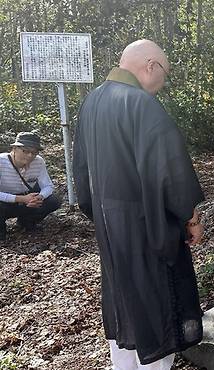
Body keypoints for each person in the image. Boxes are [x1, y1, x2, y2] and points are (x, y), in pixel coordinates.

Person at [73, 39, 205, 369]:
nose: (163, 82)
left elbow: (82, 174)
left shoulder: (92, 102)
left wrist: (104, 217)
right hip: (148, 229)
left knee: (125, 305)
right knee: (158, 305)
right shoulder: (141, 104)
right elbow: (170, 174)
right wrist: (190, 219)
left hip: (111, 228)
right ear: (151, 66)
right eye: (165, 73)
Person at [0, 132, 61, 240]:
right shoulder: (1, 162)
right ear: (14, 148)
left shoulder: (39, 162)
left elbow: (48, 186)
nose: (30, 156)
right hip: (6, 202)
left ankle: (26, 222)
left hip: (28, 200)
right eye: (25, 151)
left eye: (34, 153)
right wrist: (21, 199)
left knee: (53, 201)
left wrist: (39, 197)